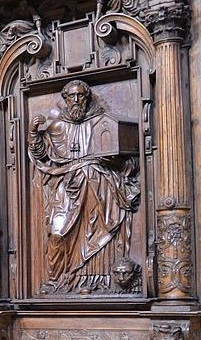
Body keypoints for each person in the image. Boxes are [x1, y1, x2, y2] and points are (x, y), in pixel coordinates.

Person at [28, 79, 139, 293]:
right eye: (72, 96)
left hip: (99, 186)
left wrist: (110, 161)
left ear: (87, 98)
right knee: (57, 234)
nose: (77, 100)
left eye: (81, 95)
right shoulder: (57, 126)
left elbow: (128, 160)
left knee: (99, 232)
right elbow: (43, 156)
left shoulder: (101, 122)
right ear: (66, 99)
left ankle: (94, 280)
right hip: (66, 185)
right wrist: (34, 134)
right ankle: (57, 280)